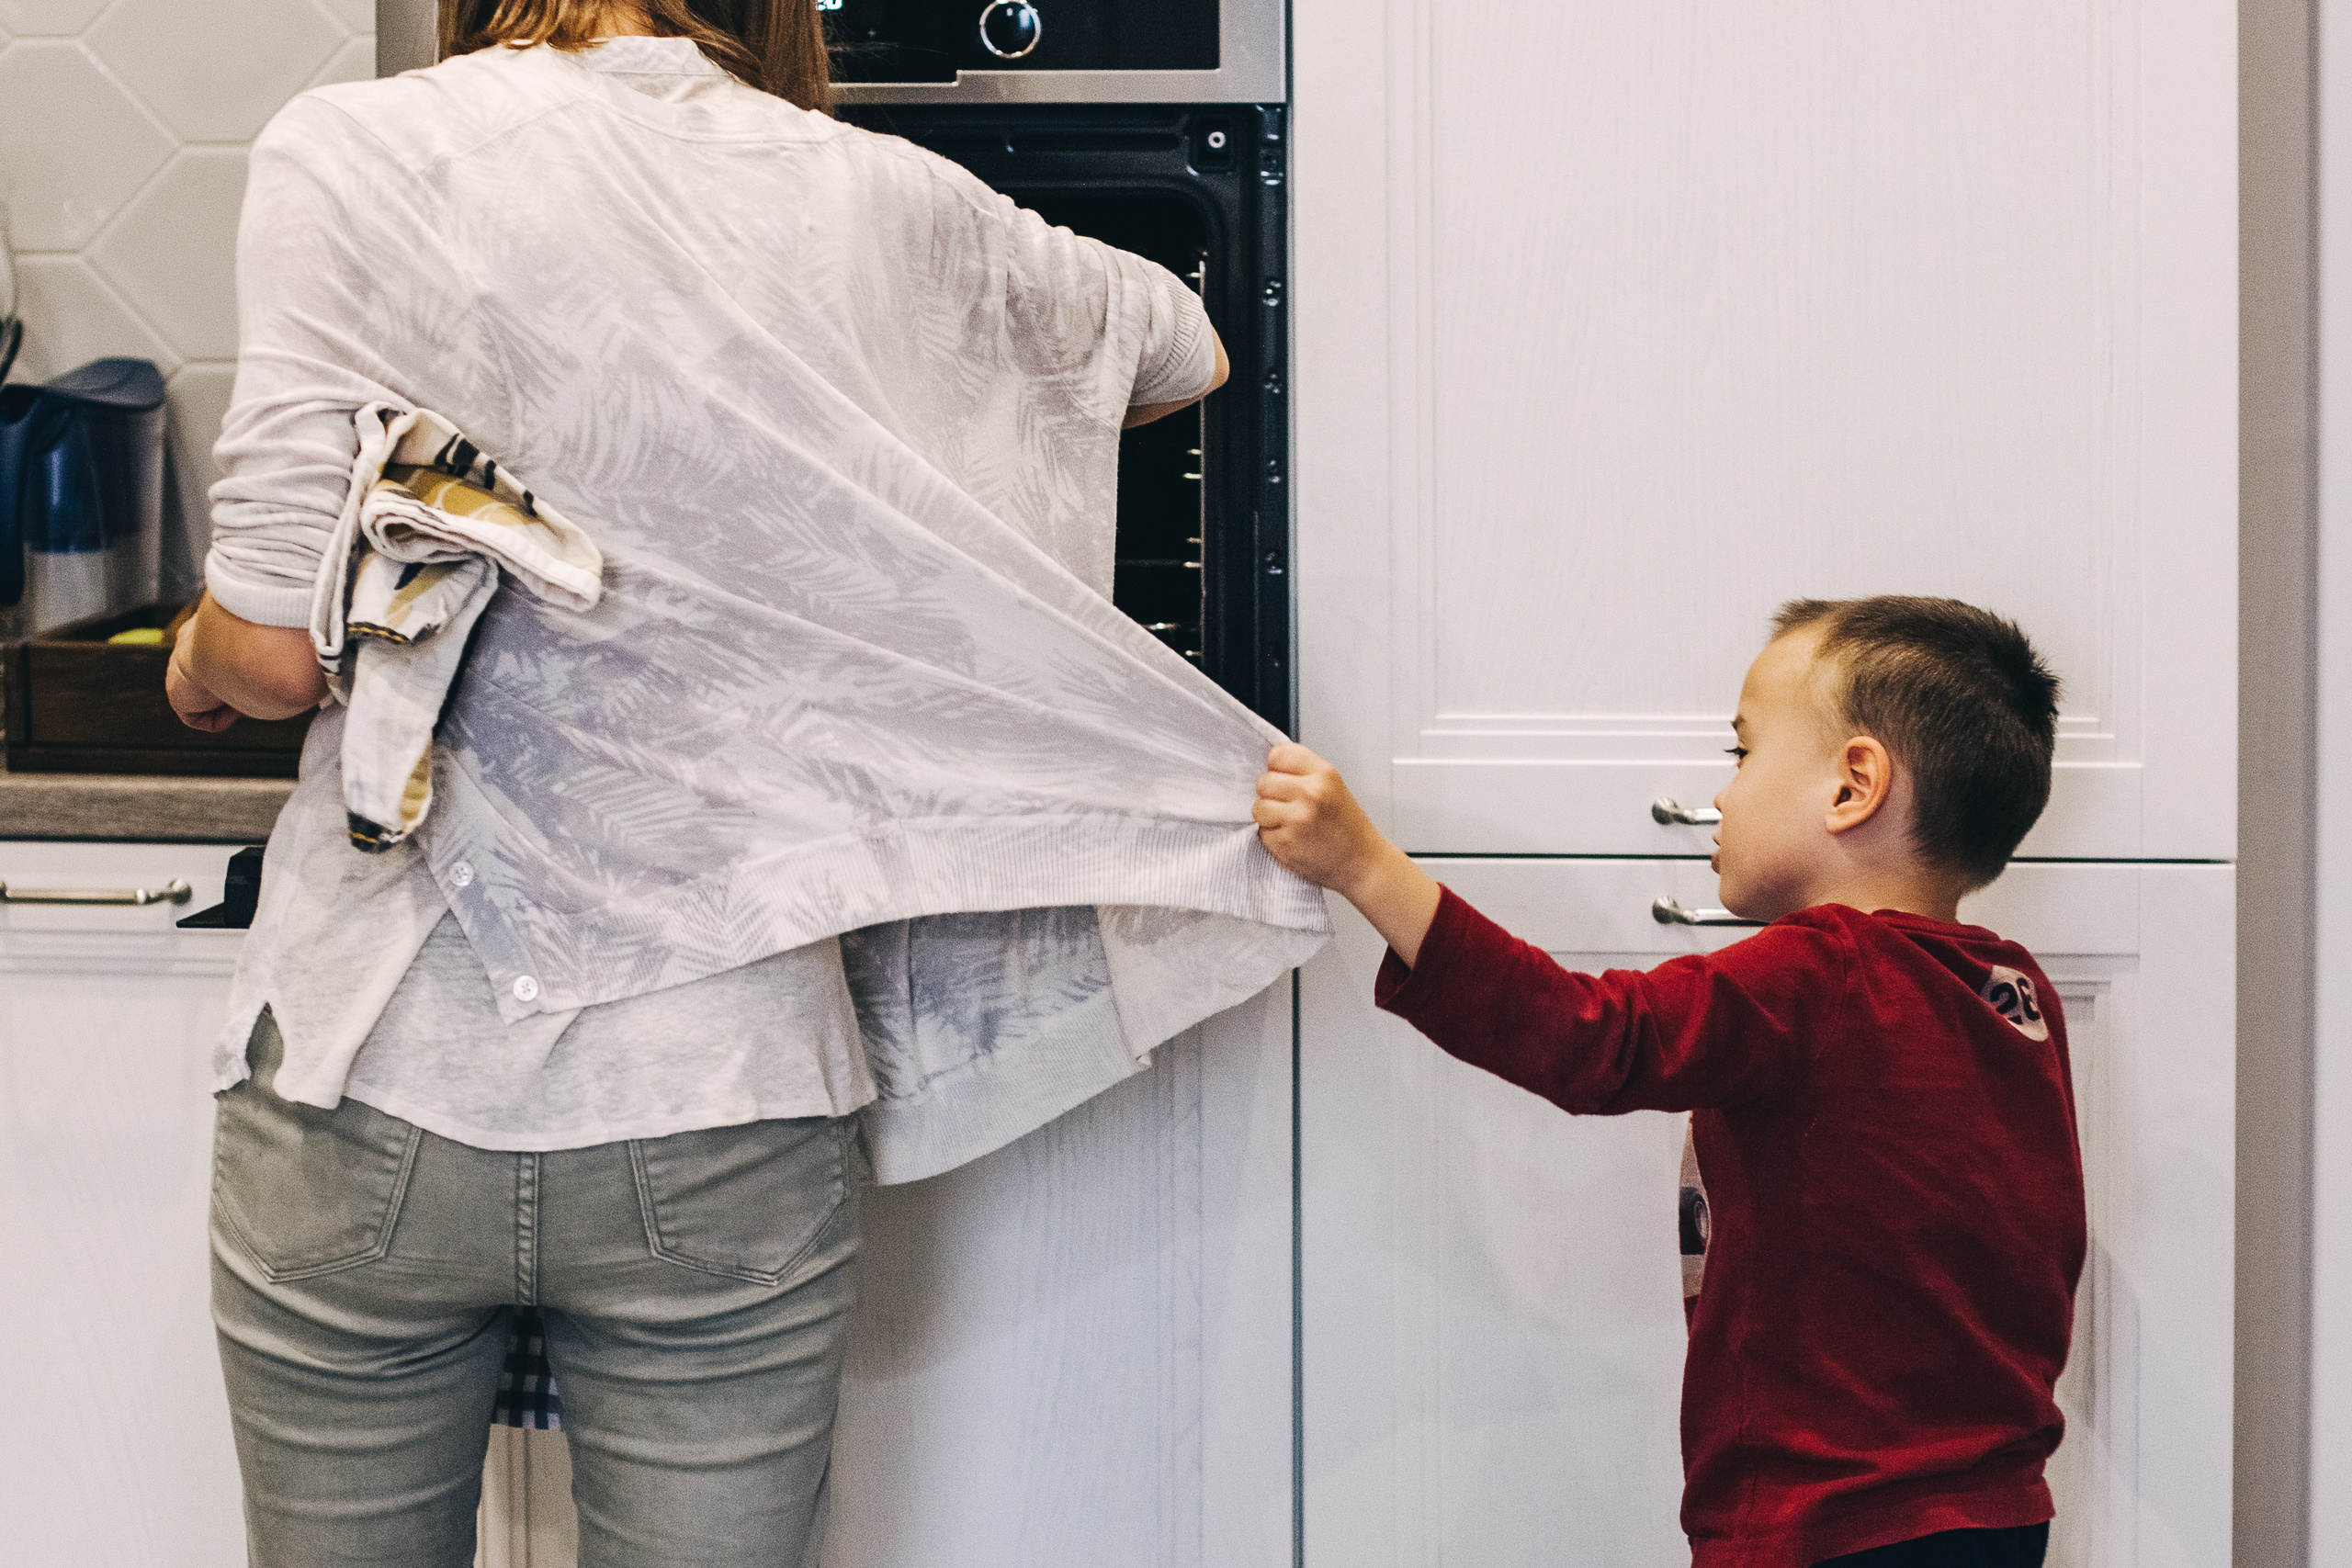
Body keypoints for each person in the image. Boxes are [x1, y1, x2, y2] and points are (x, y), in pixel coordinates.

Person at [162, 2, 1311, 1562]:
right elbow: (1182, 343)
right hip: (724, 1088)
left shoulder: (356, 148)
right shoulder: (869, 195)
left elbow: (265, 652)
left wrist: (194, 656)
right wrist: (867, 449)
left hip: (371, 1074)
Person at [1253, 595, 2086, 1568]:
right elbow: (2042, 1243)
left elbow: (1591, 1036)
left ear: (1852, 786)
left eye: (1742, 753)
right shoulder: (2012, 991)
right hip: (1998, 1512)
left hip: (1824, 1523)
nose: (1722, 796)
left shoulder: (1819, 970)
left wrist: (1364, 866)